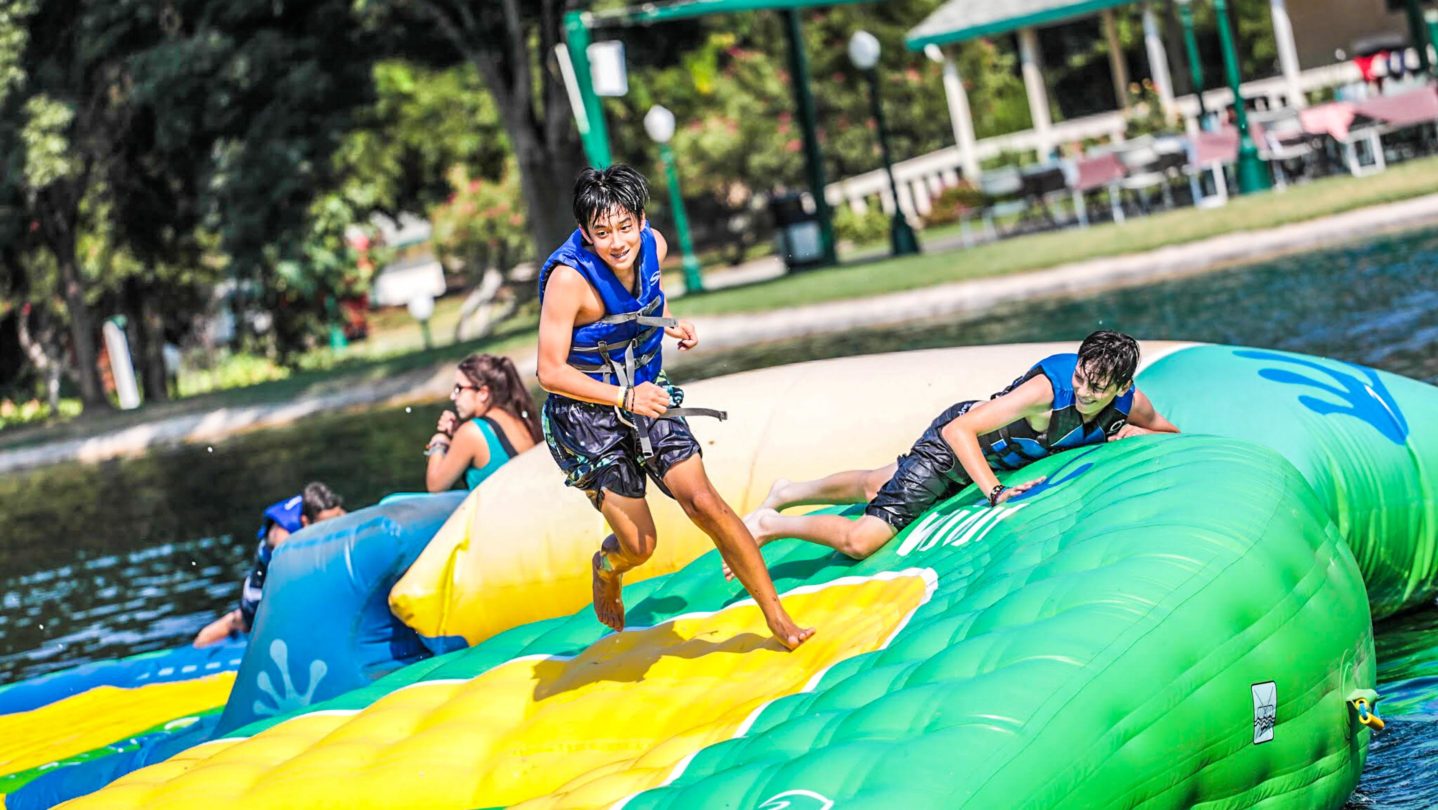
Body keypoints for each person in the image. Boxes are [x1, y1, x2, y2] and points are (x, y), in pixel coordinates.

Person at [536, 163, 813, 650]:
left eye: (626, 227)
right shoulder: (568, 282)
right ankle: (607, 567)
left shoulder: (655, 246)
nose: (617, 242)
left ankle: (777, 615)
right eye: (603, 233)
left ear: (642, 221)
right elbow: (549, 371)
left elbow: (641, 305)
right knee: (640, 545)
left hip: (647, 392)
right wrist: (625, 397)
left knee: (704, 501)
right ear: (585, 233)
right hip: (587, 416)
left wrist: (670, 323)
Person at [737, 331, 1180, 569]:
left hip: (992, 457)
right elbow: (960, 430)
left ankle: (788, 490)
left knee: (877, 484)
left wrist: (1128, 434)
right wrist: (994, 492)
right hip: (956, 449)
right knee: (861, 540)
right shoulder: (1048, 390)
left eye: (1096, 388)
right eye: (1080, 377)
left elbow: (1170, 433)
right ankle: (772, 524)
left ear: (1122, 386)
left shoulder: (1131, 403)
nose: (1082, 391)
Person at [193, 482, 347, 647]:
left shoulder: (328, 510)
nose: (332, 529)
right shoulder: (281, 535)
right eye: (326, 526)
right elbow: (292, 575)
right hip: (265, 580)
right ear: (305, 521)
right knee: (245, 621)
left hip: (297, 575)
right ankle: (199, 646)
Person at [425, 354, 540, 492]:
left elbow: (435, 486)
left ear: (483, 393)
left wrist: (439, 443)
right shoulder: (522, 419)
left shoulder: (470, 432)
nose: (453, 396)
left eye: (459, 389)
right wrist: (457, 434)